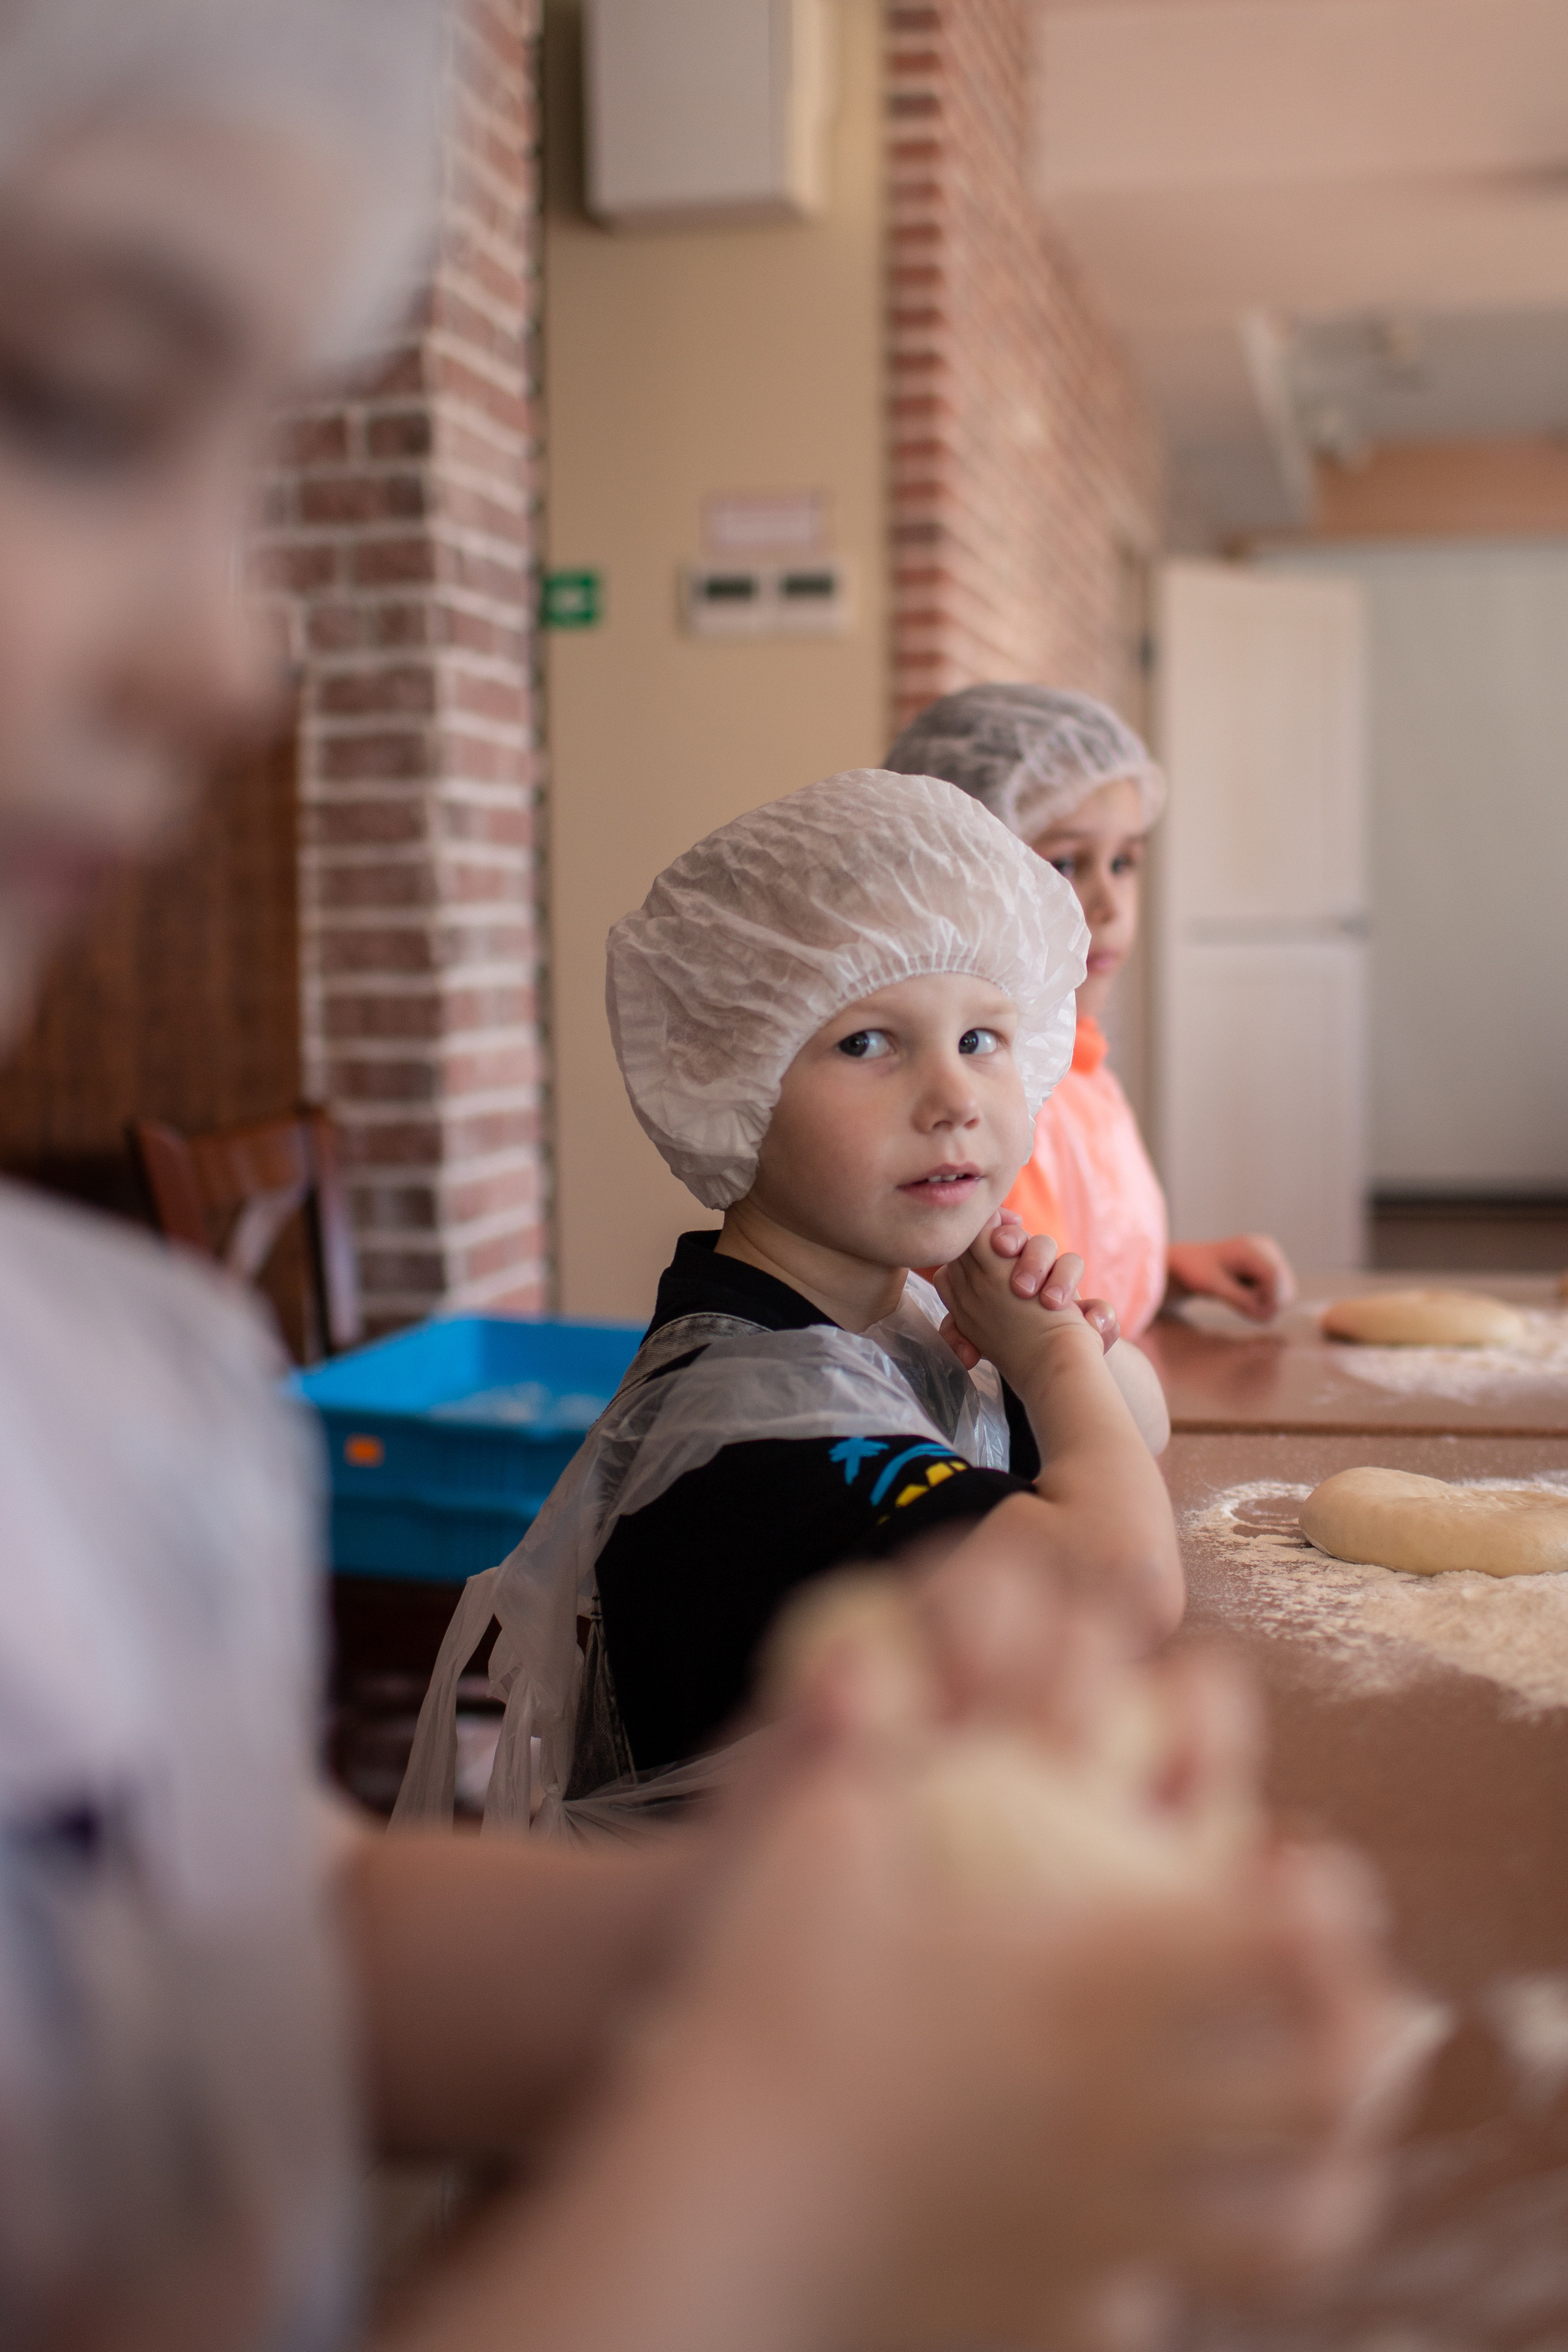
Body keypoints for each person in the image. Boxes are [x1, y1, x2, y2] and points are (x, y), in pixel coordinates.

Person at [0, 6, 1419, 2344]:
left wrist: (809, 1930)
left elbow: (272, 1939)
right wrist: (785, 2148)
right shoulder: (738, 1431)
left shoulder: (101, 1390)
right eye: (70, 409)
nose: (230, 656)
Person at [399, 769, 1182, 1830]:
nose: (953, 1099)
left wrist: (1055, 1345)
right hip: (774, 1924)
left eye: (980, 1040)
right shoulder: (764, 1425)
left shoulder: (862, 1315)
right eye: (867, 1043)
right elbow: (1127, 1585)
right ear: (736, 1079)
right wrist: (1050, 1359)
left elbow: (1139, 1423)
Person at [886, 685, 1298, 1337]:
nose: (1109, 904)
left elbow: (1070, 1265)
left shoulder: (1078, 1060)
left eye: (1124, 862)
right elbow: (1013, 1337)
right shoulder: (970, 1104)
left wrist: (1165, 1272)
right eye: (1067, 863)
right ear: (959, 875)